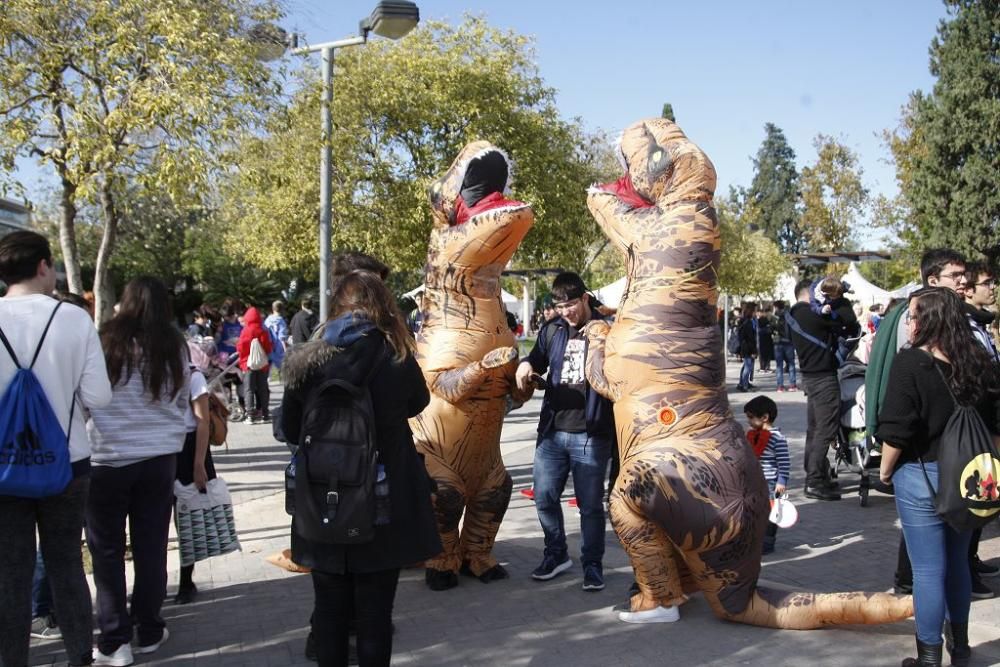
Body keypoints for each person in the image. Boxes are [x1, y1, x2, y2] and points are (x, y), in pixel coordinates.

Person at [281, 270, 441, 667]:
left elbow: (287, 427)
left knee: (329, 612)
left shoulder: (308, 359)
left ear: (337, 305)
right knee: (375, 616)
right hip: (381, 501)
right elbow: (419, 403)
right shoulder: (395, 356)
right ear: (383, 305)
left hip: (321, 498)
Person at [0, 231, 112, 667]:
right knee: (66, 562)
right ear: (44, 266)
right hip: (68, 462)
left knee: (11, 571)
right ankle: (80, 657)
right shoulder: (73, 319)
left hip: (5, 468)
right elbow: (99, 396)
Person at [877, 287, 1000, 667]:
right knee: (958, 561)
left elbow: (896, 430)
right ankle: (960, 648)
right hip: (969, 476)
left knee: (929, 570)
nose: (909, 323)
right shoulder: (979, 361)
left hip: (921, 475)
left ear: (928, 319)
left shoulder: (911, 363)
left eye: (912, 316)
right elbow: (995, 426)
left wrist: (884, 471)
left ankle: (929, 658)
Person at [86, 276, 190, 666]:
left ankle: (114, 640)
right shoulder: (173, 344)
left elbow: (86, 395)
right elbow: (181, 397)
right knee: (151, 546)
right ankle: (149, 627)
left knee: (107, 551)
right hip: (158, 457)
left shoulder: (105, 339)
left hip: (106, 458)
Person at [515, 272, 614, 591]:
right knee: (544, 496)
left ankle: (593, 564)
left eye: (571, 304)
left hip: (591, 432)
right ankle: (556, 554)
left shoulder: (606, 330)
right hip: (553, 432)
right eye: (560, 306)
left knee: (589, 505)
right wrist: (527, 365)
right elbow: (538, 358)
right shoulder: (552, 329)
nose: (566, 312)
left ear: (585, 298)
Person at [788, 276, 859, 501]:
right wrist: (839, 298)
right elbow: (849, 322)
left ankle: (816, 473)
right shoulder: (811, 314)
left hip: (810, 376)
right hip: (823, 378)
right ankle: (816, 481)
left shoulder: (792, 315)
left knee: (814, 429)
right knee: (825, 430)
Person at [172, 339, 218, 605]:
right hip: (166, 447)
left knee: (186, 520)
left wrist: (199, 463)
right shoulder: (156, 373)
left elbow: (202, 421)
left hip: (189, 450)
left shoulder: (192, 375)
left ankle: (185, 581)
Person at [744, 396, 790, 555]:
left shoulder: (777, 438)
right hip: (755, 481)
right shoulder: (753, 435)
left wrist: (781, 482)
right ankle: (755, 540)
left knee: (772, 513)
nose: (748, 421)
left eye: (751, 417)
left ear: (764, 417)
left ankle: (768, 543)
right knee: (755, 512)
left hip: (771, 483)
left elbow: (784, 463)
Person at [237, 306, 272, 424]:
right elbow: (268, 348)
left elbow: (241, 348)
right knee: (263, 389)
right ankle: (265, 414)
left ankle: (250, 416)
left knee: (249, 390)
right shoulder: (263, 331)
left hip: (248, 364)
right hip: (262, 365)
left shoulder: (246, 331)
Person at [772, 300, 798, 392]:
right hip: (789, 343)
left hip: (778, 344)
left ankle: (780, 386)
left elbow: (772, 330)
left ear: (776, 307)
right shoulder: (788, 315)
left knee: (779, 365)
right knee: (791, 364)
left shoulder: (774, 317)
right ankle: (792, 385)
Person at [736, 302, 758, 392]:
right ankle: (744, 385)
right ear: (751, 312)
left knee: (746, 365)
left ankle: (742, 383)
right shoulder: (748, 323)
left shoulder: (744, 321)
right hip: (747, 347)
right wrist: (754, 351)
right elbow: (751, 338)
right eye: (754, 311)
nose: (755, 313)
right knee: (748, 366)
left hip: (744, 346)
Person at [265, 300, 289, 372]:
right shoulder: (281, 321)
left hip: (269, 348)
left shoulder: (267, 320)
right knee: (283, 369)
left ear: (273, 309)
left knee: (268, 369)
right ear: (282, 309)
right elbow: (282, 337)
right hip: (279, 349)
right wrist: (286, 350)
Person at [757, 308, 774, 372]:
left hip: (761, 340)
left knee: (762, 354)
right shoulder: (767, 320)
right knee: (767, 354)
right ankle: (767, 366)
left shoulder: (759, 321)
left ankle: (763, 367)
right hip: (767, 339)